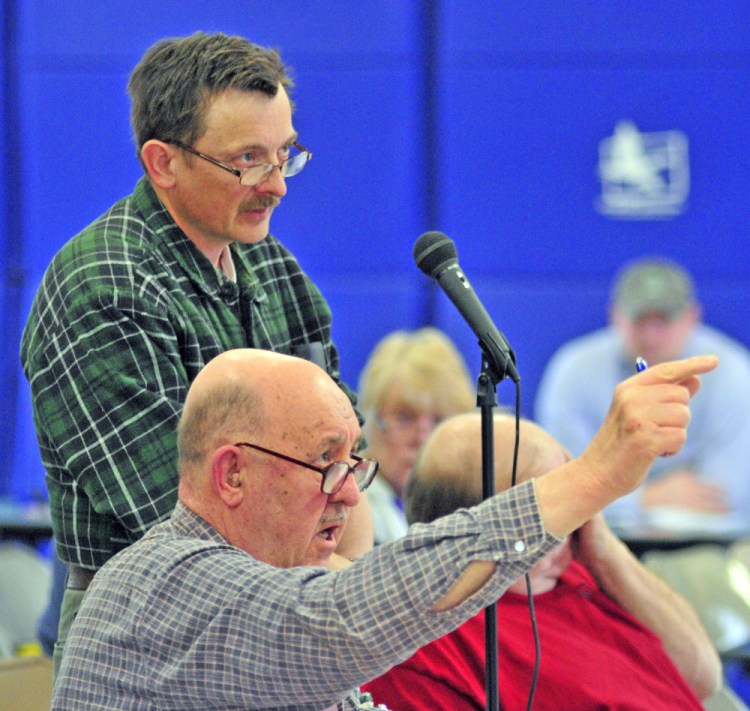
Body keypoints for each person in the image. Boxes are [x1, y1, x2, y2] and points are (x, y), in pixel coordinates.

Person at [52, 347, 717, 709]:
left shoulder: (277, 579)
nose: (349, 491)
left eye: (351, 462)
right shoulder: (161, 582)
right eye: (322, 463)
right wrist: (594, 475)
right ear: (232, 475)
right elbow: (340, 621)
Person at [20, 31, 371, 675]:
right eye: (247, 161)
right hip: (148, 640)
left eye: (284, 155)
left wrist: (342, 599)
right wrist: (361, 600)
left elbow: (344, 472)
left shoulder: (274, 268)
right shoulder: (102, 286)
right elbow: (185, 530)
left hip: (290, 604)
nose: (277, 187)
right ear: (163, 163)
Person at [363, 413, 722, 710]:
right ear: (488, 523)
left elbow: (703, 676)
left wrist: (606, 552)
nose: (579, 504)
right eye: (556, 488)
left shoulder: (583, 569)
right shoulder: (426, 649)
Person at [535, 256, 750, 529]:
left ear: (691, 317)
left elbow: (725, 496)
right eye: (639, 320)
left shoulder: (732, 371)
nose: (650, 336)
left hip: (704, 546)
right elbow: (560, 489)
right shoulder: (573, 369)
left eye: (663, 320)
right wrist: (647, 498)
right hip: (594, 540)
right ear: (615, 315)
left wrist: (610, 497)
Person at [357, 327, 476, 544]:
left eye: (439, 421)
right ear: (371, 422)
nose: (423, 439)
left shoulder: (476, 506)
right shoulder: (348, 511)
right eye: (405, 418)